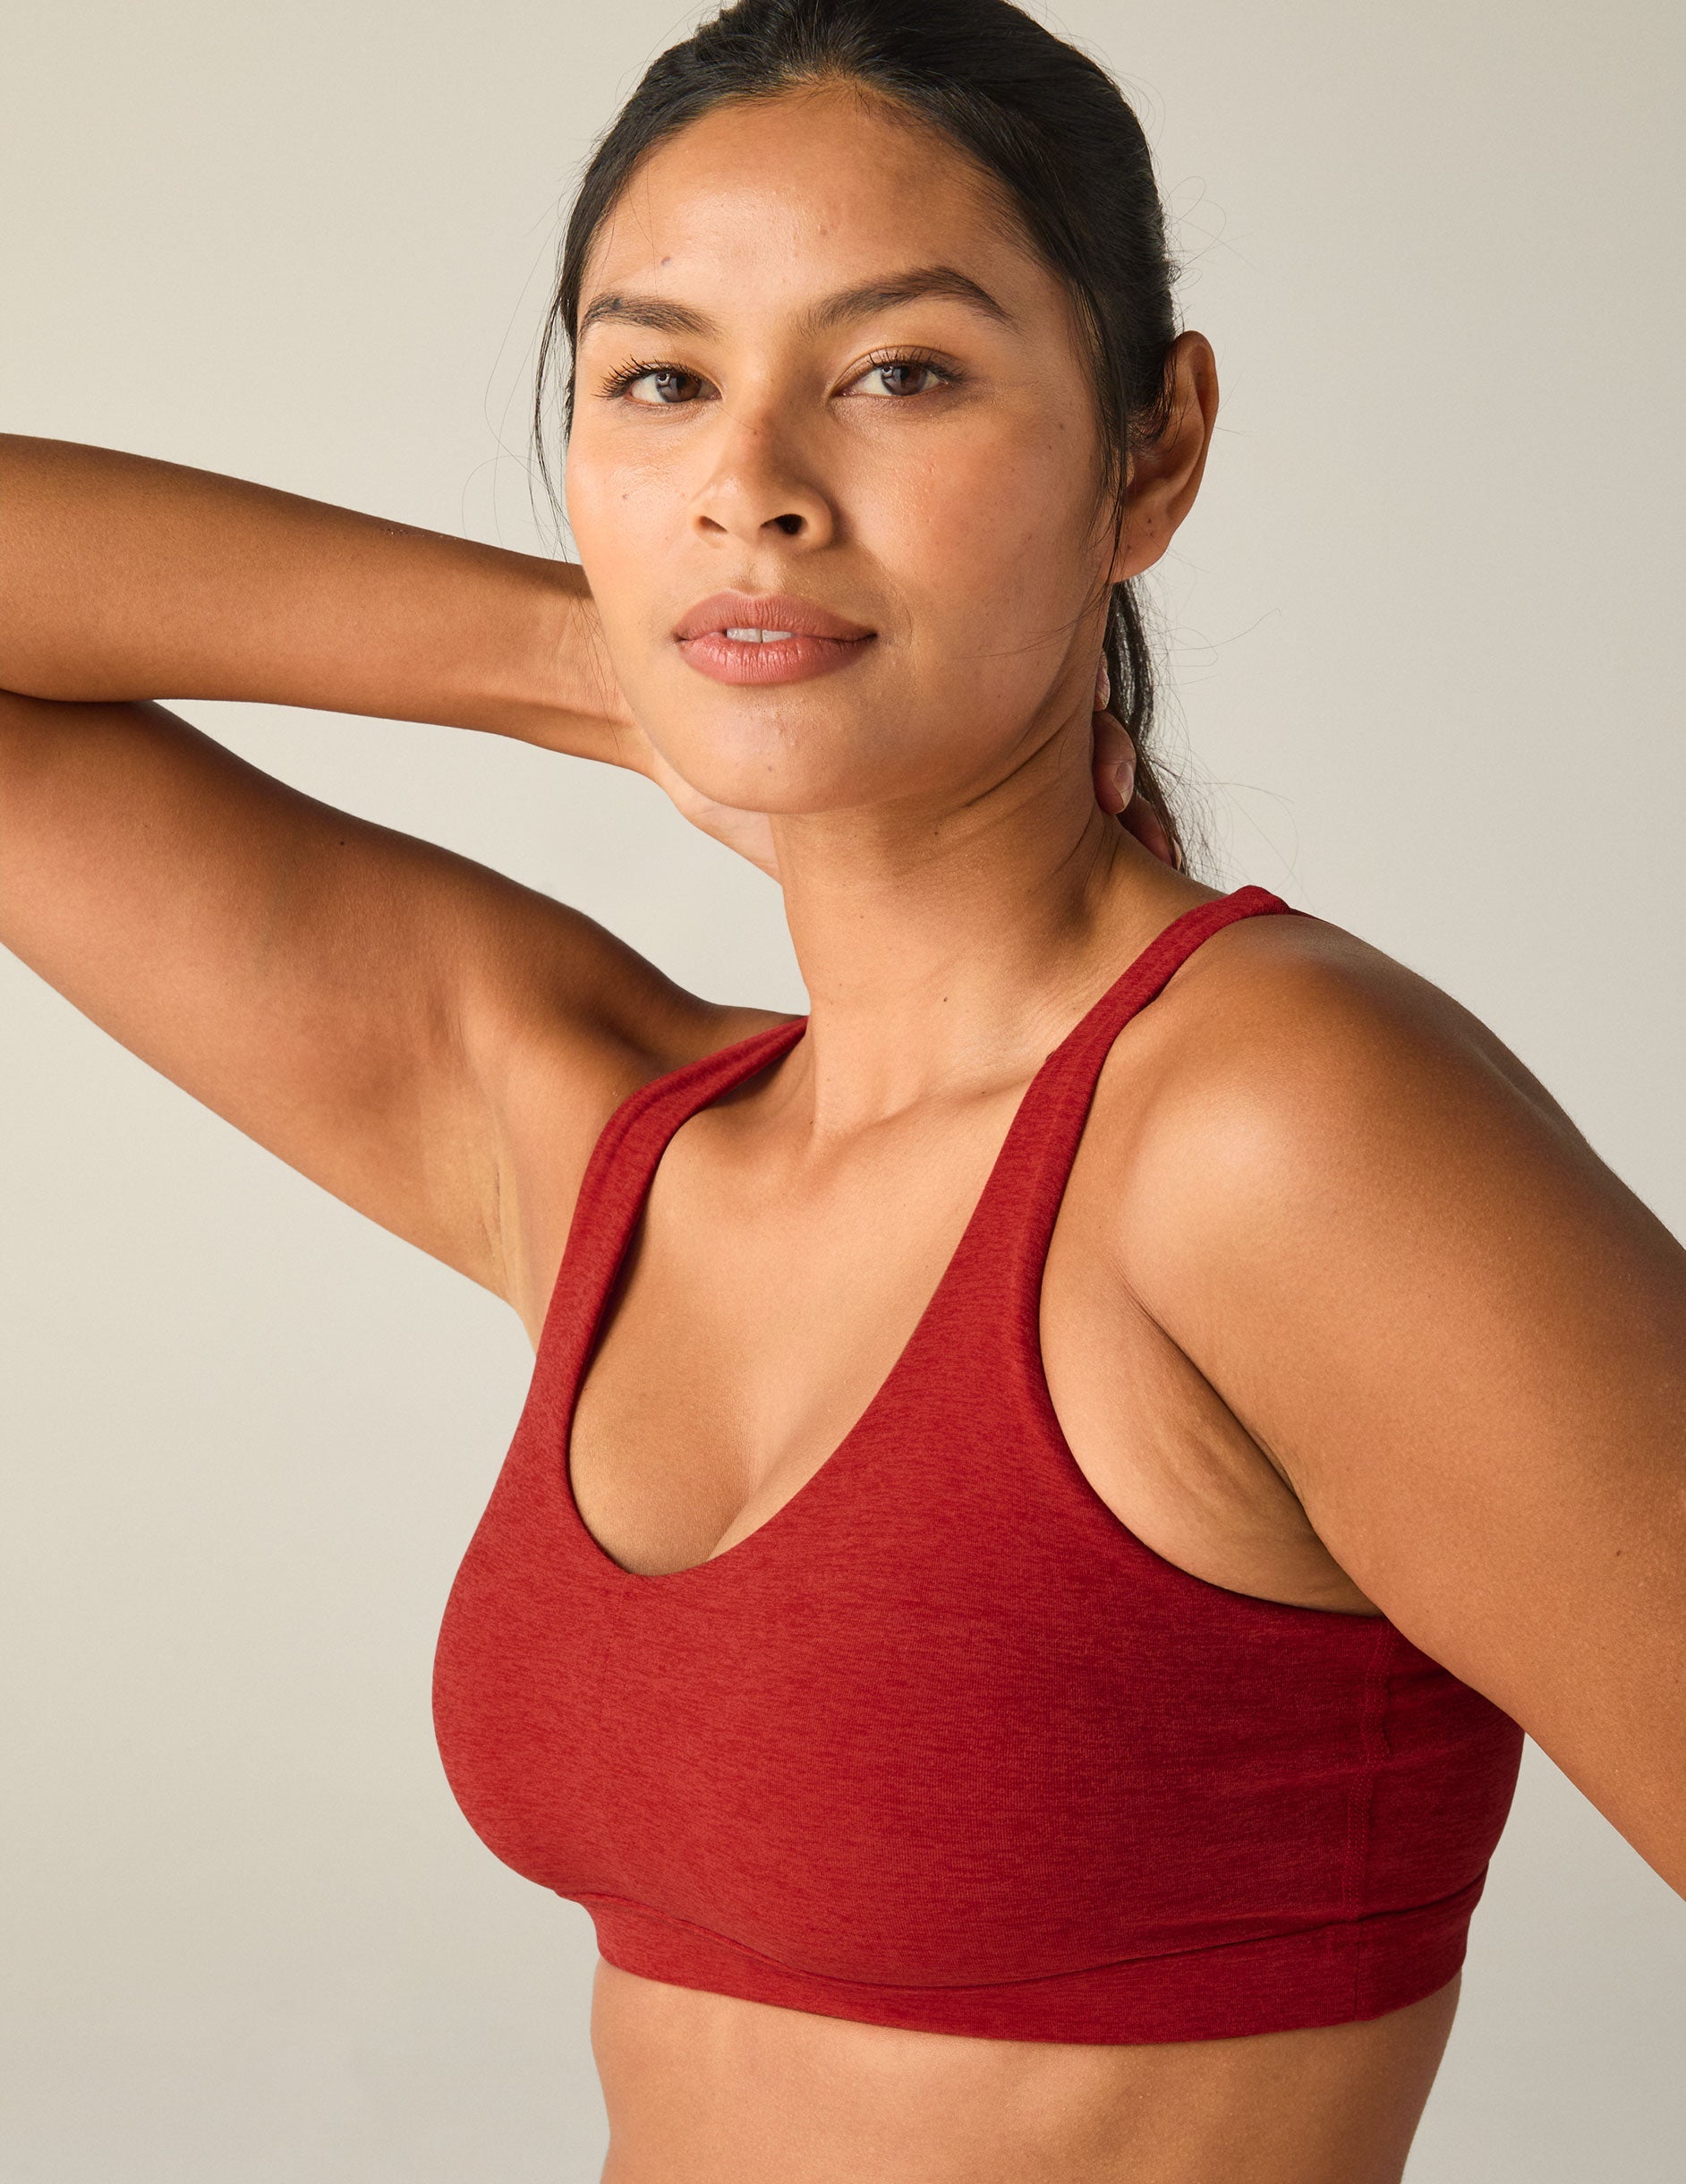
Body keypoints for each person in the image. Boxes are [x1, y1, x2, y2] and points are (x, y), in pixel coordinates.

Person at [2, 1, 1681, 2178]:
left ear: (1151, 452)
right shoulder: (610, 1139)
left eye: (903, 370)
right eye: (661, 380)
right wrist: (600, 661)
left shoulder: (1274, 1123)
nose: (755, 483)